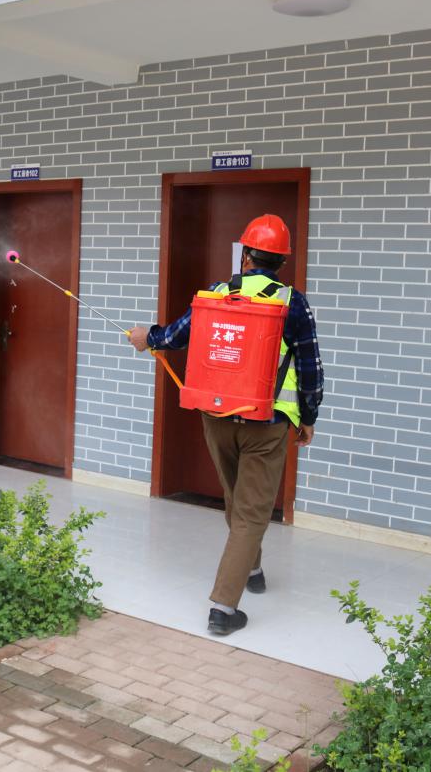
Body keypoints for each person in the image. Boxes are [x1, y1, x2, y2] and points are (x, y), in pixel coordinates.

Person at [127, 214, 323, 636]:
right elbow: (311, 367)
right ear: (281, 261)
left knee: (237, 499)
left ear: (246, 255)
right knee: (251, 511)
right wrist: (308, 417)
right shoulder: (292, 303)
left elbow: (177, 335)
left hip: (216, 417)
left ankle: (251, 570)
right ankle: (223, 609)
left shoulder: (218, 292)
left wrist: (147, 337)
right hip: (267, 422)